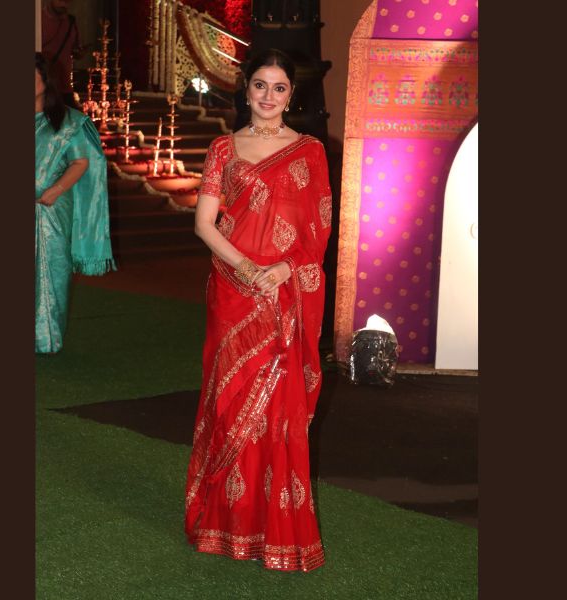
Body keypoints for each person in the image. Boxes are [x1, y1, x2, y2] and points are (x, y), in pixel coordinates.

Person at [184, 49, 332, 572]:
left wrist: (285, 270)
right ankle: (223, 522)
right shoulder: (224, 149)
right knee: (229, 404)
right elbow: (204, 223)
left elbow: (318, 229)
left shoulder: (310, 152)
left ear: (292, 95)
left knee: (279, 411)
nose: (269, 96)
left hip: (285, 293)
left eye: (280, 87)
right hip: (234, 290)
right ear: (246, 89)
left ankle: (276, 531)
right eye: (261, 85)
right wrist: (249, 270)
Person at [35, 52, 115, 354]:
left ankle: (45, 338)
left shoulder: (67, 121)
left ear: (46, 82)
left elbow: (81, 161)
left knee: (50, 269)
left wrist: (55, 191)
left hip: (50, 207)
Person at [41, 0, 86, 109]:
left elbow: (75, 49)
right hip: (44, 86)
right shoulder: (39, 19)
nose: (65, 4)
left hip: (64, 86)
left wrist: (79, 52)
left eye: (68, 1)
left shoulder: (70, 21)